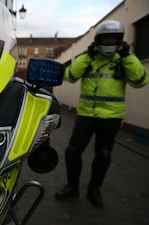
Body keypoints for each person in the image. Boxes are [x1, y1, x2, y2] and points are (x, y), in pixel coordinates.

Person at [55, 20, 149, 208]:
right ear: (98, 40)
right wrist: (86, 56)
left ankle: (94, 189)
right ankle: (72, 187)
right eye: (105, 39)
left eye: (113, 39)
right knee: (72, 150)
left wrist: (127, 58)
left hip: (111, 116)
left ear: (120, 40)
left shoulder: (124, 60)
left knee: (103, 154)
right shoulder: (89, 58)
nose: (109, 42)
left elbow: (140, 81)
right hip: (86, 114)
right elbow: (70, 76)